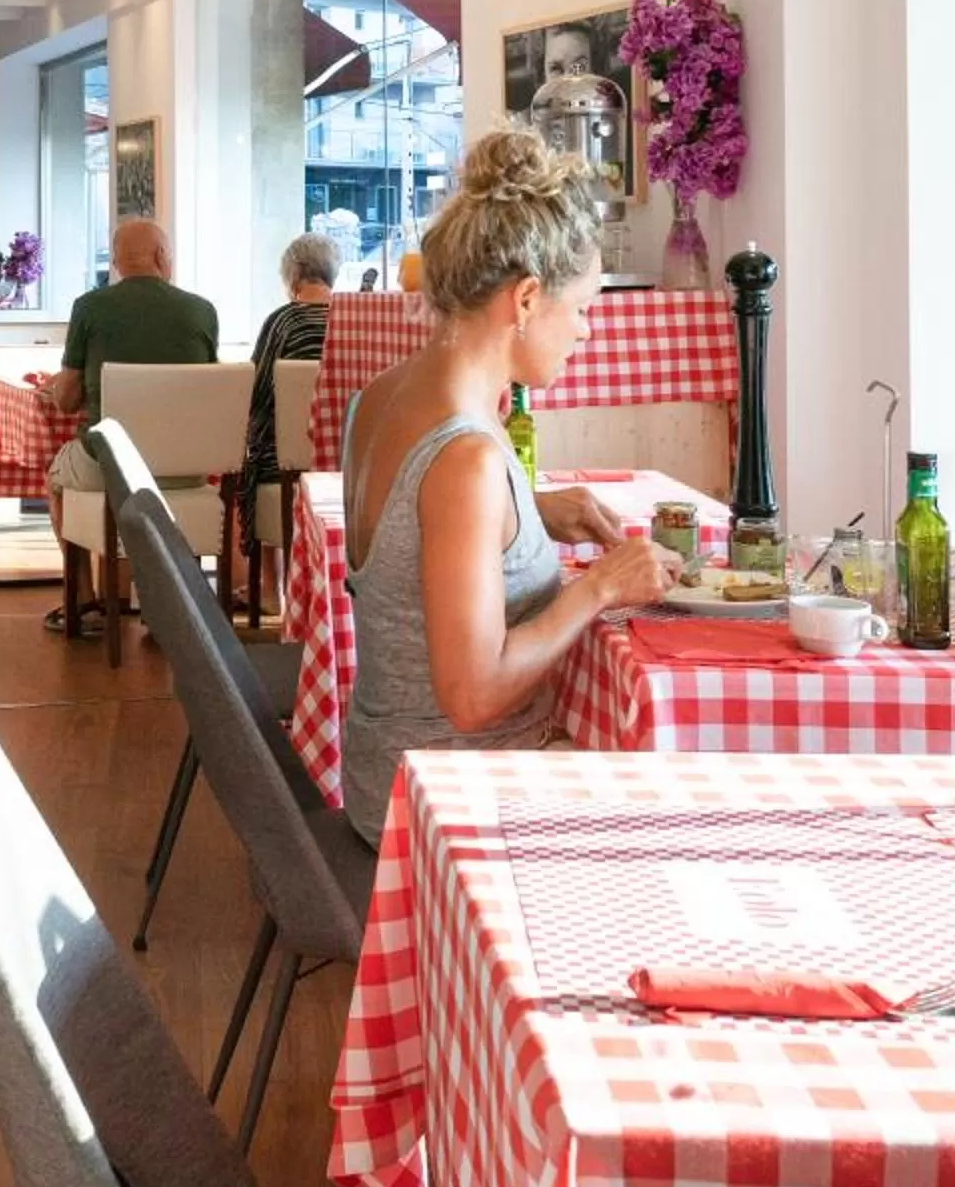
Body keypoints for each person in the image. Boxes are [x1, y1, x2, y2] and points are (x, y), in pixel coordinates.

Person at [339, 130, 678, 836]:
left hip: (389, 776)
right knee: (693, 800)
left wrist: (531, 515)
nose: (586, 331)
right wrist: (602, 587)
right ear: (525, 299)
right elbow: (472, 694)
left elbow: (421, 529)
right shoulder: (468, 459)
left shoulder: (382, 395)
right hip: (451, 806)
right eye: (582, 307)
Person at [46, 216, 219, 633]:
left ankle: (83, 598)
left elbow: (67, 400)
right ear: (162, 256)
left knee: (54, 483)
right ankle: (173, 607)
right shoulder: (202, 311)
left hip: (110, 468)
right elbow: (206, 394)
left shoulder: (89, 307)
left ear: (118, 264)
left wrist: (56, 387)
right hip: (183, 470)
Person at [225, 232, 338, 534]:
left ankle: (269, 580)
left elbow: (255, 395)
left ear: (294, 276)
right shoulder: (350, 321)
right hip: (341, 466)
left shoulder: (281, 322)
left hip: (280, 470)